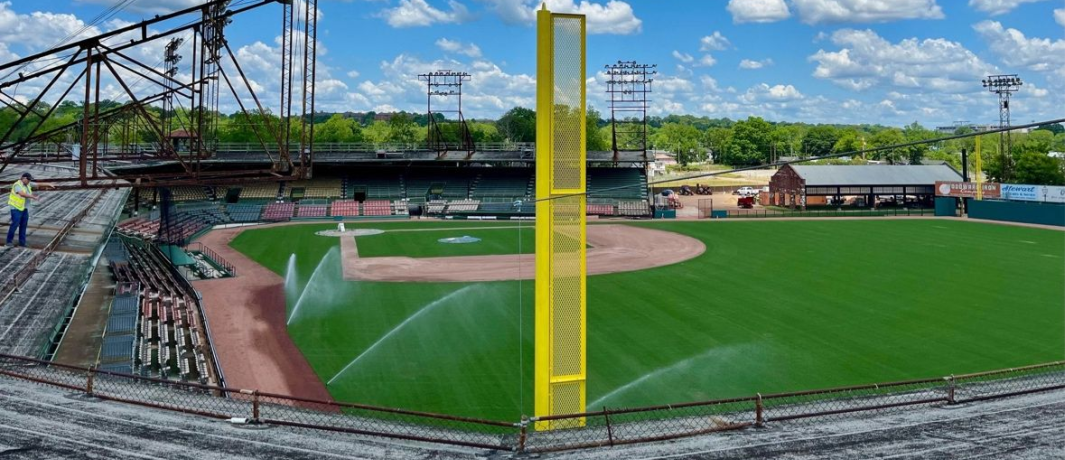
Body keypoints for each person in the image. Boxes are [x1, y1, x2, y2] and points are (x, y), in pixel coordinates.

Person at [6, 173, 52, 247]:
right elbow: (22, 194)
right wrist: (33, 197)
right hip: (16, 208)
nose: (29, 181)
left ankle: (22, 243)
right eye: (28, 180)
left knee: (23, 225)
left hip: (24, 208)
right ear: (23, 178)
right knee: (14, 225)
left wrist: (48, 184)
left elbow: (37, 184)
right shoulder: (17, 185)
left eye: (30, 180)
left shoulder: (28, 184)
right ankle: (8, 242)